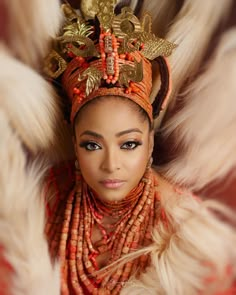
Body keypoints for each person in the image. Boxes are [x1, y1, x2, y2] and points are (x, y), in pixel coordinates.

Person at [42, 2, 236, 294]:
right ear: (75, 146)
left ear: (150, 144)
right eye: (92, 145)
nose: (111, 164)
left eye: (129, 144)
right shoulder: (46, 201)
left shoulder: (185, 232)